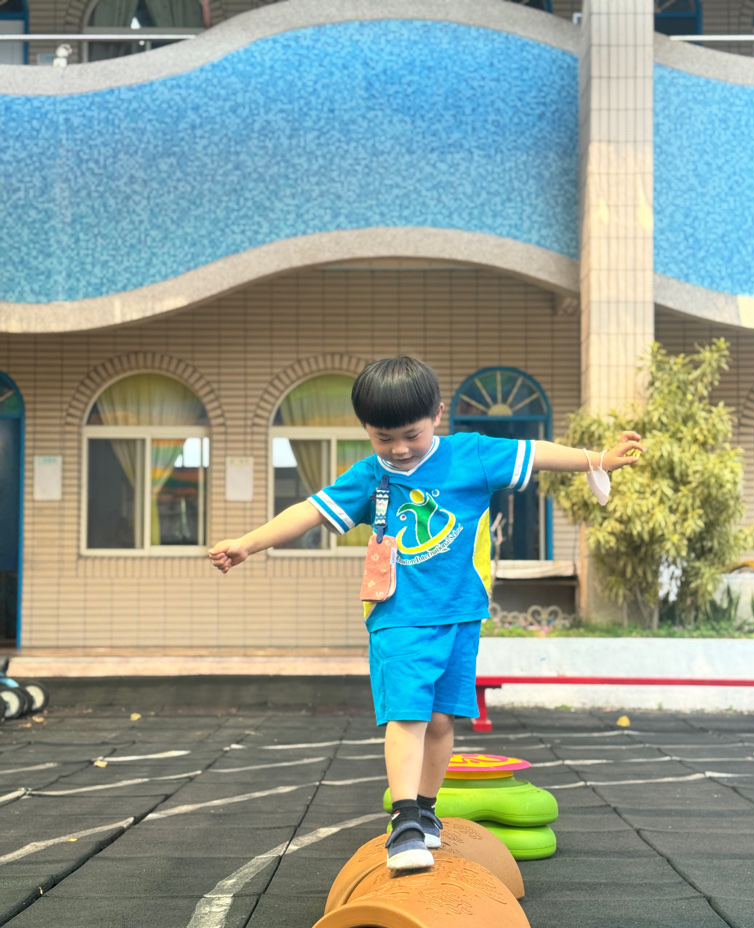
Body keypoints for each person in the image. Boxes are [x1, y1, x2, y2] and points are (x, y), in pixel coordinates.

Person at [209, 357, 644, 870]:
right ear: (367, 431)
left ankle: (427, 811)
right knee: (408, 714)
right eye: (383, 437)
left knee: (440, 721)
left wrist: (599, 459)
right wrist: (248, 543)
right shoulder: (369, 476)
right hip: (399, 615)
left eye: (411, 435)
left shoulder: (470, 455)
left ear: (437, 414)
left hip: (460, 614)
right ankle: (405, 820)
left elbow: (537, 452)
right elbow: (309, 511)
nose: (398, 448)